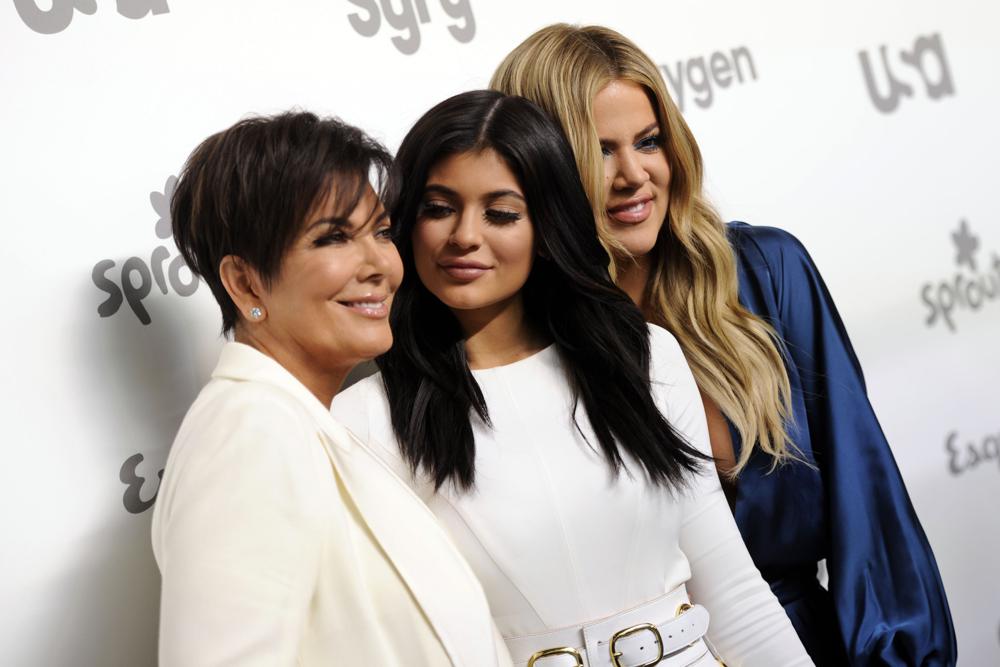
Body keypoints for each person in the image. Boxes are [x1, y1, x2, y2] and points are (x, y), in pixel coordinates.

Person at [490, 24, 957, 666]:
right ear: (536, 168)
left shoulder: (766, 273)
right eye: (597, 152)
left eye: (648, 142)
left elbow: (868, 507)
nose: (634, 175)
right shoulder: (512, 346)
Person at [332, 89, 812, 666]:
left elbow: (735, 595)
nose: (464, 235)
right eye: (439, 208)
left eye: (501, 213)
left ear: (547, 224)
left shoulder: (646, 357)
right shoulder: (363, 419)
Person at [151, 111, 510, 667]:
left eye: (383, 232)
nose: (381, 266)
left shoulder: (304, 424)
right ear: (245, 282)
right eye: (334, 238)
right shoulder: (250, 432)